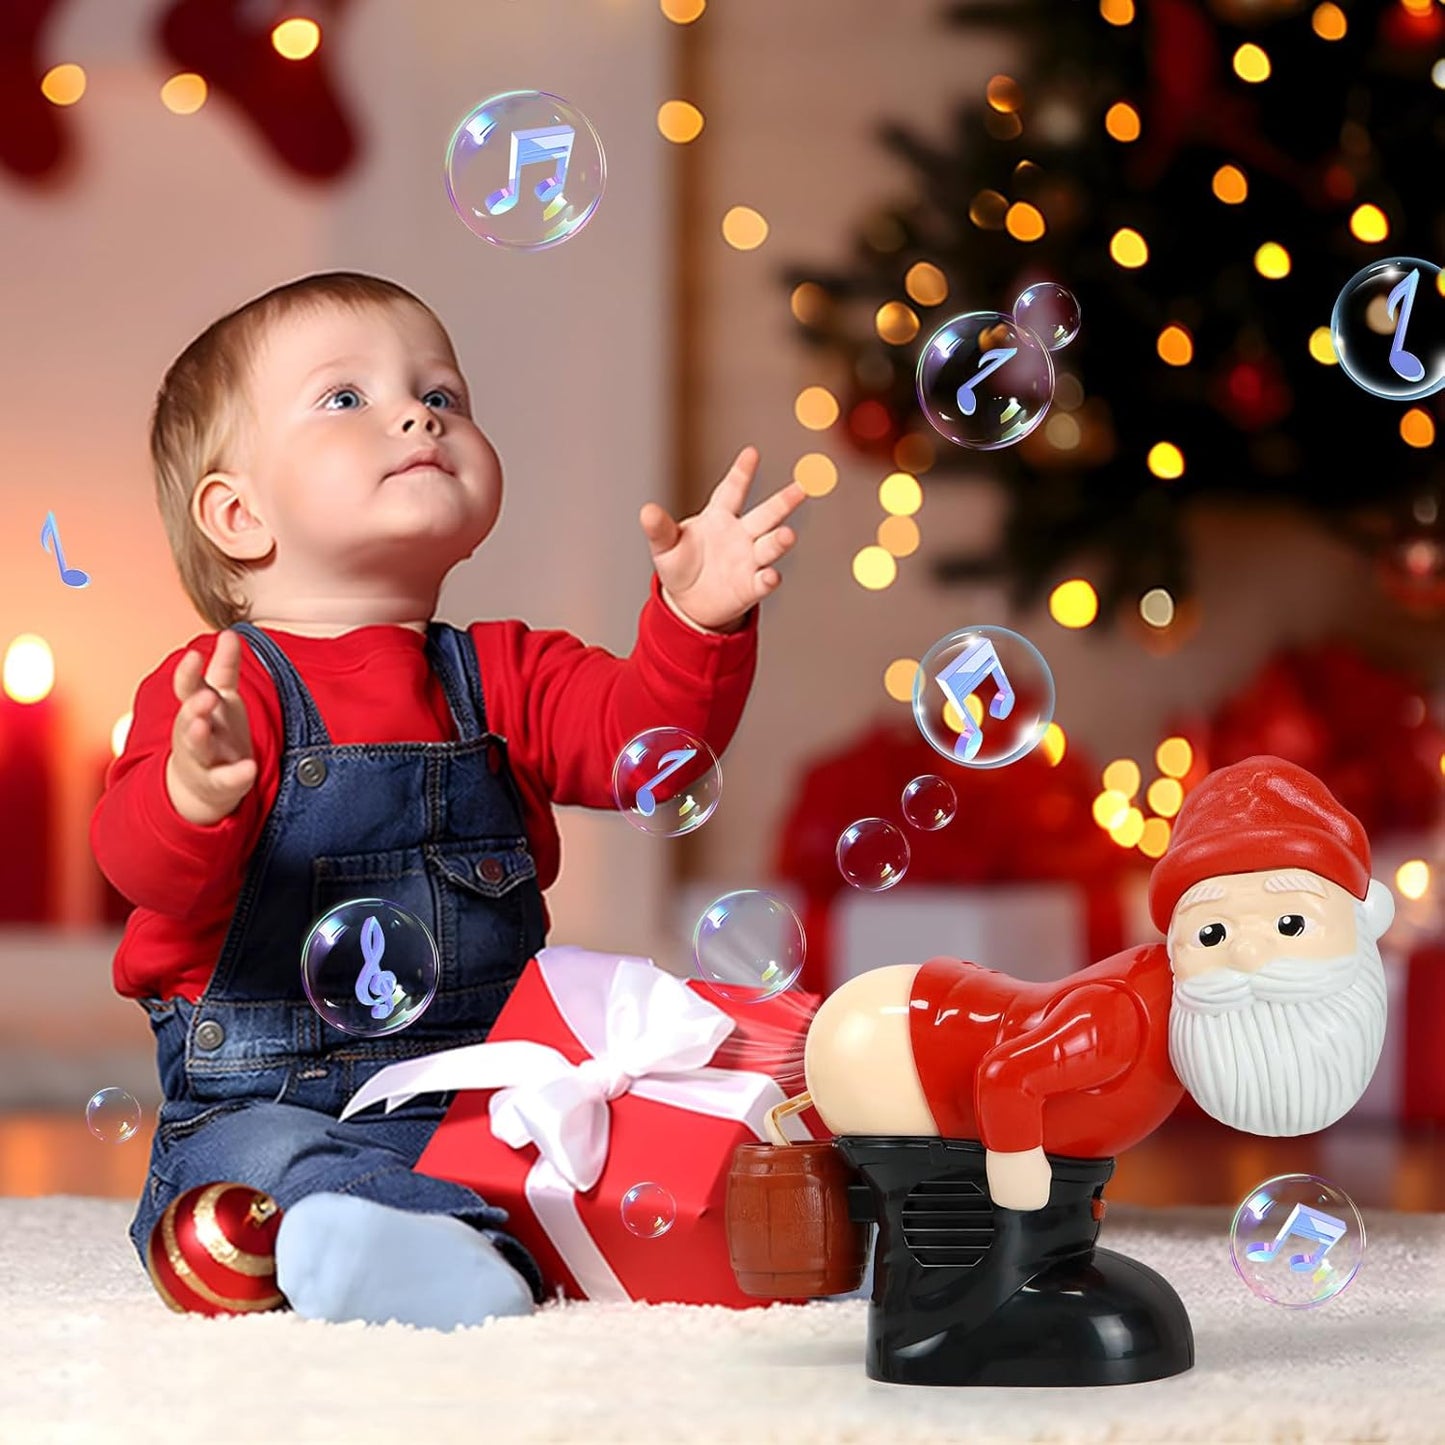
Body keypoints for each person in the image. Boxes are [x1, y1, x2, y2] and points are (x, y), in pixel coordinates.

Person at [91, 270, 806, 1330]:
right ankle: (408, 1238)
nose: (419, 413)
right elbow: (140, 867)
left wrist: (695, 622)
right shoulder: (219, 693)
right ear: (237, 514)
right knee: (255, 1164)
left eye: (444, 394)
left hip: (492, 1098)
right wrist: (197, 792)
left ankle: (432, 1234)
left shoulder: (503, 673)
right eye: (346, 398)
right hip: (274, 1099)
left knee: (657, 1132)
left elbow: (646, 749)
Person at [784, 755, 1394, 1385]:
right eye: (1213, 932)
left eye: (1289, 924)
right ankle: (947, 1319)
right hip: (896, 1045)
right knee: (955, 1206)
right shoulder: (1128, 1012)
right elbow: (1007, 1073)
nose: (1244, 953)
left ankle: (1046, 1263)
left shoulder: (1173, 1016)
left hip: (913, 1036)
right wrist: (1018, 1171)